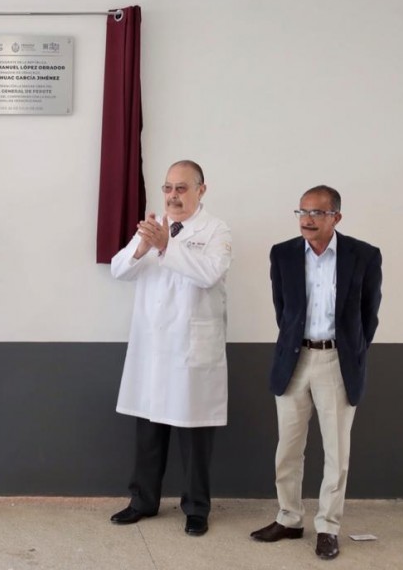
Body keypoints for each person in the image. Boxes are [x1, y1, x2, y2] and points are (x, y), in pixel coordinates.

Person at [250, 185, 382, 560]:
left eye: (317, 213)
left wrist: (350, 352)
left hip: (337, 361)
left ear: (336, 217)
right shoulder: (283, 254)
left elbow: (369, 314)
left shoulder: (364, 255)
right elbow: (283, 310)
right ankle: (289, 518)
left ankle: (328, 527)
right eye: (302, 212)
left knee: (336, 452)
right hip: (294, 359)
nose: (307, 219)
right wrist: (297, 343)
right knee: (288, 448)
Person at [109, 160, 232, 536]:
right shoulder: (154, 227)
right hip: (153, 348)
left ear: (201, 190)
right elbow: (118, 270)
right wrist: (143, 246)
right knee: (148, 430)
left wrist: (167, 246)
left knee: (194, 435)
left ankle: (196, 509)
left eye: (181, 188)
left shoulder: (217, 230)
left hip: (191, 350)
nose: (173, 196)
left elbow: (209, 273)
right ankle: (142, 501)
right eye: (167, 188)